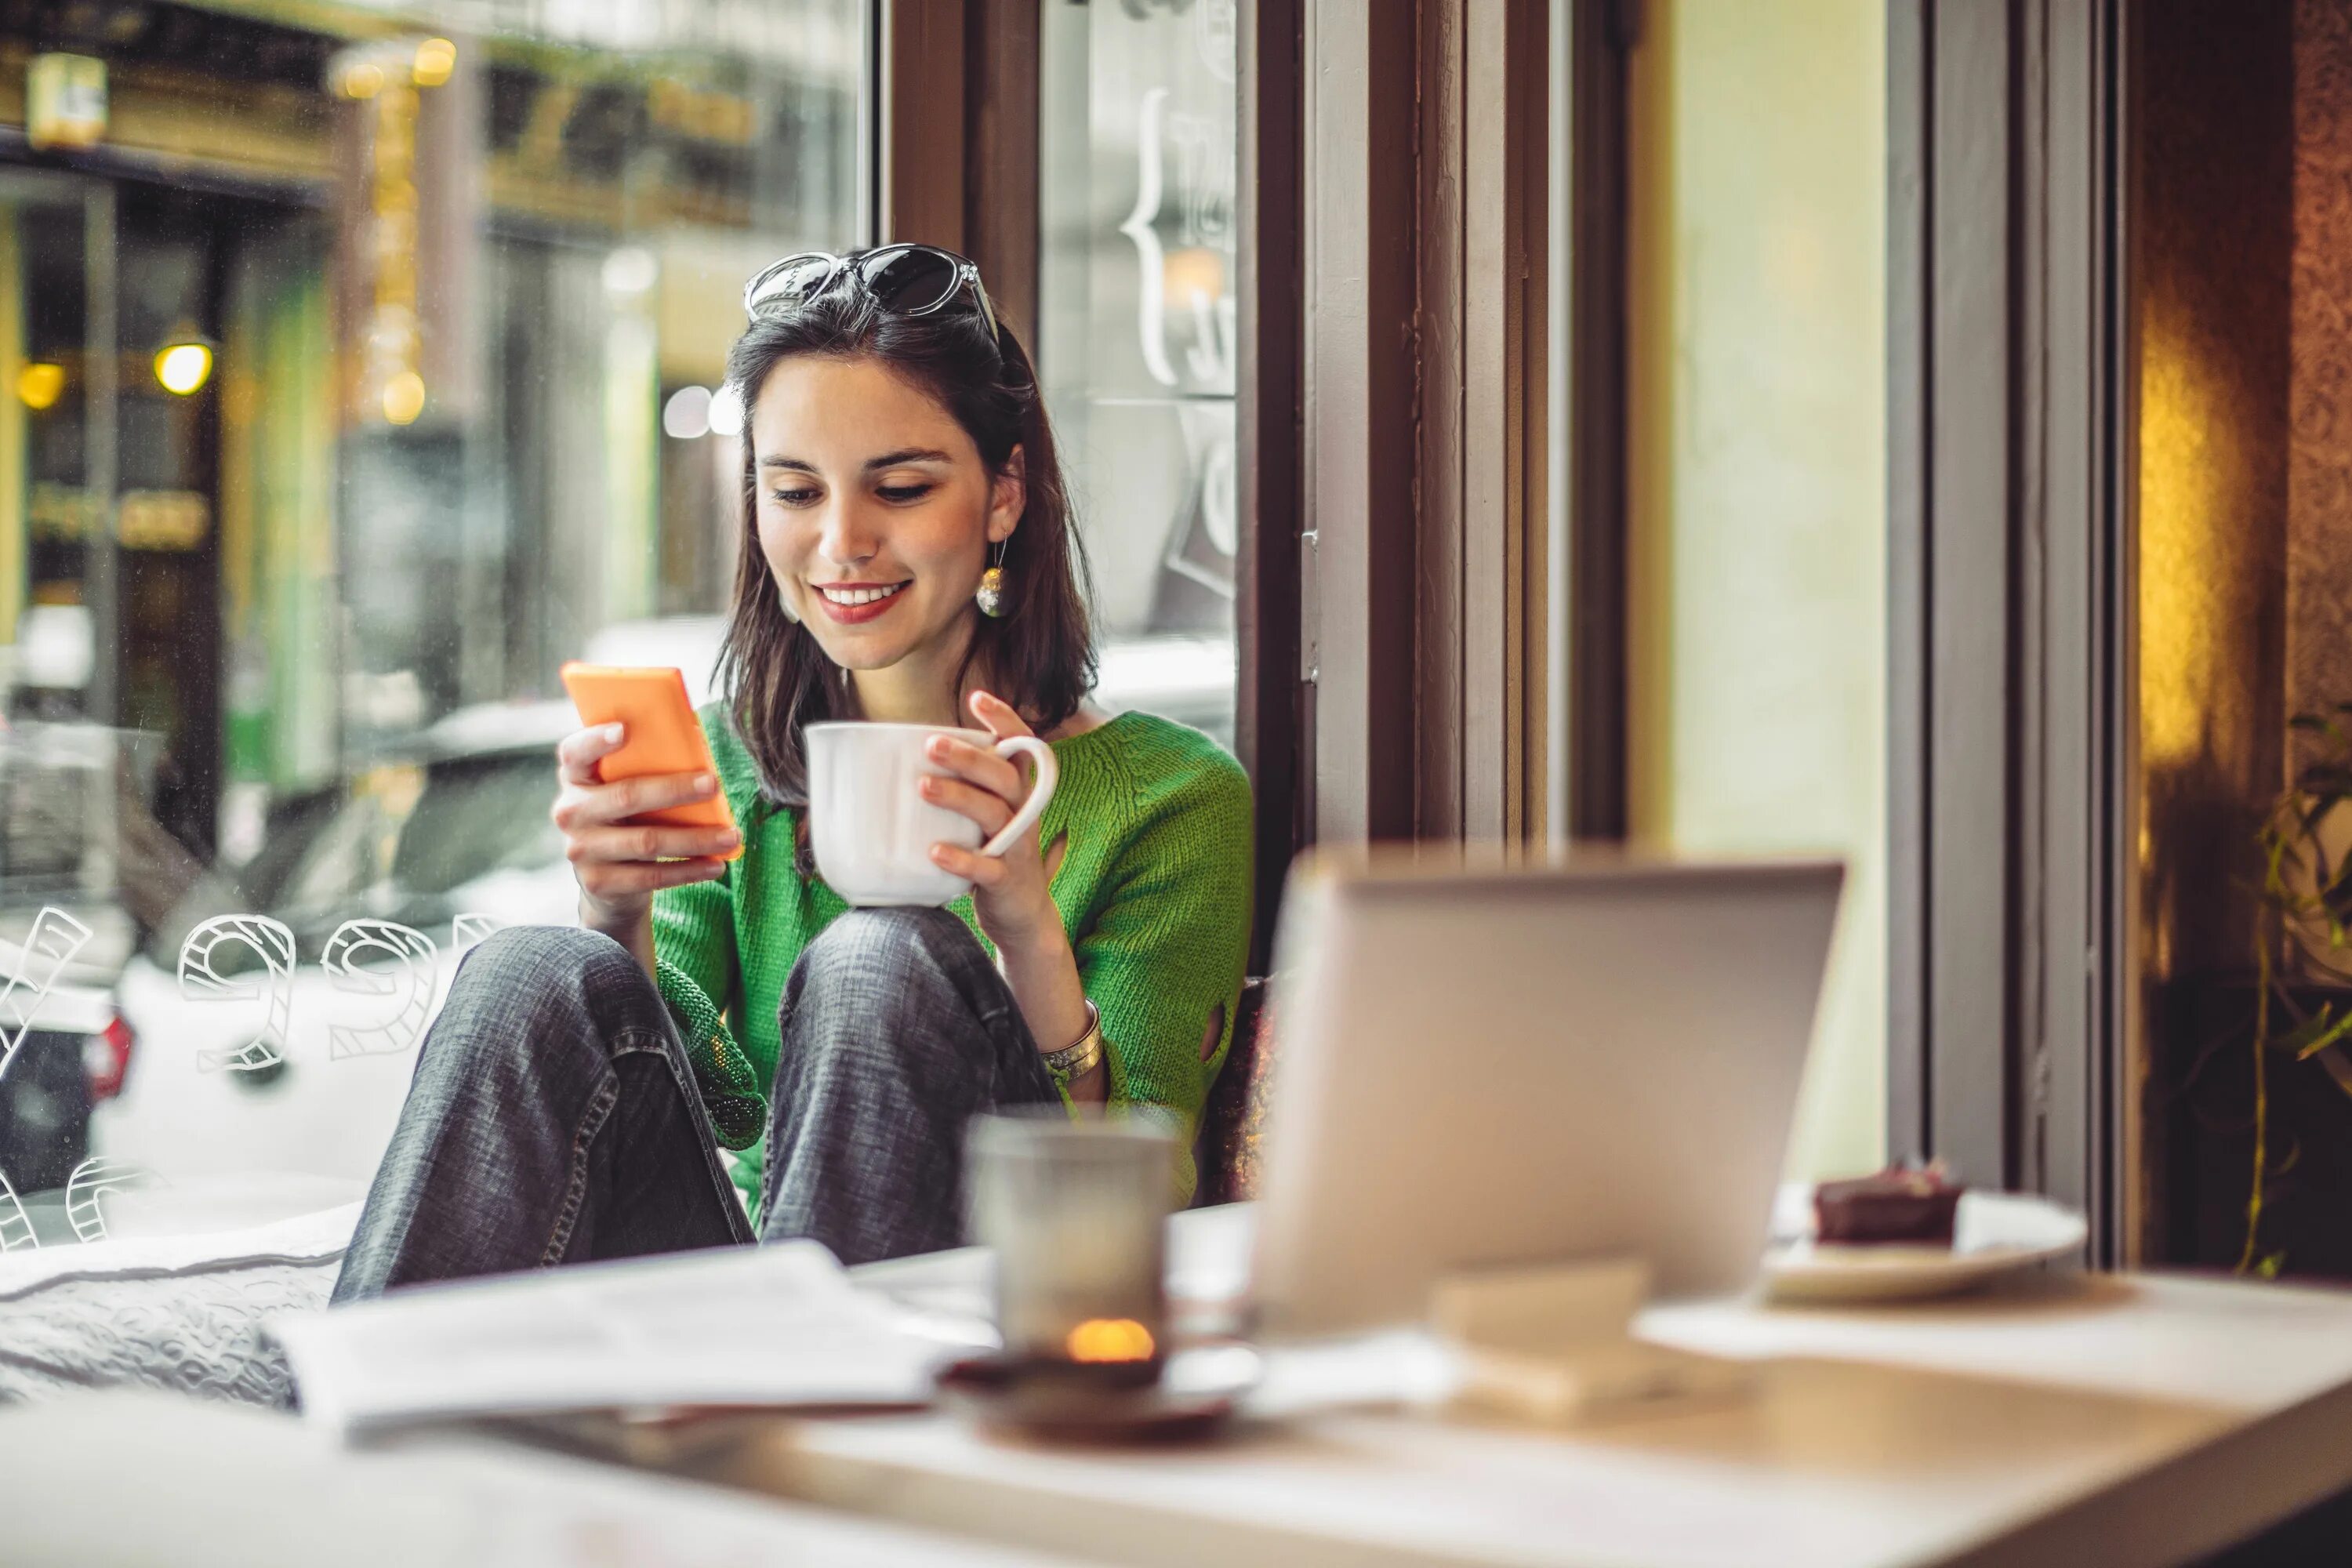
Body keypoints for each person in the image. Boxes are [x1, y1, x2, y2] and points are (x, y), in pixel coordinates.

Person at [333, 245, 1253, 1296]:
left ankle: (822, 1424)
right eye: (795, 490)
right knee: (532, 965)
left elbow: (1130, 1196)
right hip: (749, 1293)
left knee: (880, 957)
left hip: (982, 1298)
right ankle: (350, 1437)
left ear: (1005, 495)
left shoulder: (1172, 798)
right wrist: (614, 914)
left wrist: (1027, 933)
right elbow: (715, 1105)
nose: (842, 542)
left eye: (900, 487)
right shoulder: (730, 758)